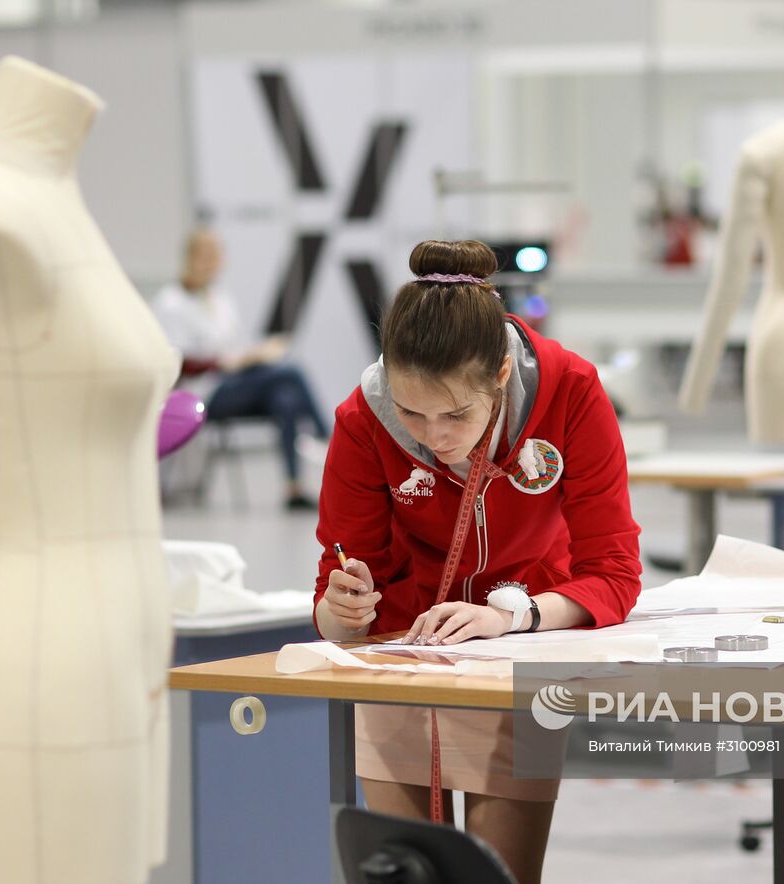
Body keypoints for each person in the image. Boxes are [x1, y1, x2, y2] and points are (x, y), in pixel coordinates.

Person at [312, 240, 641, 883]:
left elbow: (614, 572)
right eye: (411, 412)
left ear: (498, 376)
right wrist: (339, 609)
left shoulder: (570, 391)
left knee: (500, 877)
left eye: (455, 414)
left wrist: (513, 616)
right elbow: (340, 592)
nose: (433, 437)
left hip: (523, 653)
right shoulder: (362, 418)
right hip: (405, 656)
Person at [152, 228, 328, 509]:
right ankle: (326, 436)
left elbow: (233, 348)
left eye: (215, 256)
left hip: (234, 383)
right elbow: (175, 359)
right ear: (188, 258)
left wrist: (252, 355)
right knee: (291, 371)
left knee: (284, 397)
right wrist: (224, 362)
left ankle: (294, 489)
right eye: (203, 256)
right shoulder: (170, 302)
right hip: (203, 394)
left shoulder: (221, 300)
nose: (210, 262)